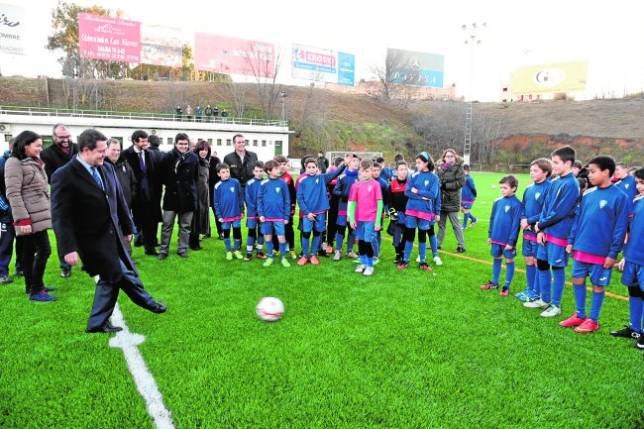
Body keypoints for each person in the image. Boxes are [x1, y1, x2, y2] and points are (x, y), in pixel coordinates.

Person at [51, 129, 166, 333]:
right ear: (86, 150)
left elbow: (118, 200)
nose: (105, 154)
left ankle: (96, 323)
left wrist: (128, 227)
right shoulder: (64, 175)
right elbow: (61, 216)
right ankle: (148, 302)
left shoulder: (106, 168)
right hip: (90, 241)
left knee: (110, 278)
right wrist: (67, 248)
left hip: (114, 235)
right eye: (101, 151)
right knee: (120, 273)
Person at [559, 156, 630, 333]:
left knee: (598, 285)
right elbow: (578, 220)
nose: (589, 175)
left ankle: (593, 319)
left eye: (593, 171)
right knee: (577, 279)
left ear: (606, 172)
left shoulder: (620, 197)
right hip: (581, 248)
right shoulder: (588, 194)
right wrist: (571, 241)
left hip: (602, 252)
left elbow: (620, 228)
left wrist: (613, 254)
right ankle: (580, 314)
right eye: (589, 171)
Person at [6, 131, 54, 301]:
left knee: (28, 252)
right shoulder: (14, 162)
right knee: (44, 250)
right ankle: (36, 290)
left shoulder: (33, 161)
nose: (41, 148)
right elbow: (13, 193)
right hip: (28, 217)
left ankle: (32, 285)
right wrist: (22, 219)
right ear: (26, 145)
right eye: (38, 145)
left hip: (38, 215)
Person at [533, 146, 580, 318]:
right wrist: (541, 227)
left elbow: (560, 212)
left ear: (568, 163)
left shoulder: (571, 185)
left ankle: (556, 305)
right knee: (542, 263)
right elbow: (546, 206)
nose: (553, 166)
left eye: (556, 162)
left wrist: (540, 224)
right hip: (546, 231)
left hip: (560, 234)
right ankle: (544, 299)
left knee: (557, 267)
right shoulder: (555, 182)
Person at [40, 123, 78, 278]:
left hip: (81, 197)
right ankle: (65, 266)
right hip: (61, 199)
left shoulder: (77, 148)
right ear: (54, 137)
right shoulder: (47, 154)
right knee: (63, 233)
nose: (65, 140)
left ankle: (86, 259)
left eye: (67, 136)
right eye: (61, 137)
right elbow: (49, 178)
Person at [612, 167, 644, 348]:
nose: (639, 187)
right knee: (634, 291)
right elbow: (630, 231)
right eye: (638, 183)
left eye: (643, 183)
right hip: (632, 257)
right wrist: (626, 255)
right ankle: (635, 328)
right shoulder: (636, 201)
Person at [296, 156, 347, 266]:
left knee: (317, 233)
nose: (311, 169)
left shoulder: (322, 178)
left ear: (316, 168)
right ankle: (305, 255)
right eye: (308, 167)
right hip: (307, 213)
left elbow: (335, 173)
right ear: (305, 168)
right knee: (305, 234)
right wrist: (307, 212)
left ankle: (313, 254)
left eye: (313, 167)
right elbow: (299, 198)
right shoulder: (301, 180)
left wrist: (344, 164)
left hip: (320, 212)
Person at [157, 133, 199, 259]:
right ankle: (163, 250)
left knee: (185, 226)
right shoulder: (167, 157)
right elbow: (162, 176)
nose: (183, 146)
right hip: (172, 196)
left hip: (188, 197)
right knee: (167, 225)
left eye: (185, 144)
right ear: (175, 144)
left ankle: (182, 249)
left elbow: (195, 177)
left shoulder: (193, 158)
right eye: (181, 143)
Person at [398, 152, 441, 271]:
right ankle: (405, 260)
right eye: (416, 162)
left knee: (422, 236)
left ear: (426, 163)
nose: (416, 165)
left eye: (419, 162)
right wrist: (422, 196)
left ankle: (423, 261)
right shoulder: (414, 176)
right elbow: (407, 192)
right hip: (411, 209)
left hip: (425, 212)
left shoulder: (434, 178)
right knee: (409, 236)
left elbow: (433, 194)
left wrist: (417, 191)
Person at [517, 158, 553, 305]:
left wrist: (529, 221)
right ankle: (530, 289)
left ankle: (538, 292)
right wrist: (524, 219)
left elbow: (547, 212)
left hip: (540, 232)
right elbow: (523, 207)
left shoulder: (550, 188)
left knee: (539, 262)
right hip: (527, 231)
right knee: (528, 260)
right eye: (531, 170)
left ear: (545, 172)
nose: (532, 173)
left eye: (536, 170)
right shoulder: (528, 188)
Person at [480, 175, 522, 296]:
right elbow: (492, 219)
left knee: (509, 260)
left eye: (505, 187)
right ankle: (494, 282)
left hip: (508, 240)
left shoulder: (517, 204)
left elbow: (515, 225)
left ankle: (506, 286)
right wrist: (490, 235)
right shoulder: (497, 201)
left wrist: (511, 241)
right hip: (496, 237)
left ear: (514, 188)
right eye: (501, 187)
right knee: (496, 258)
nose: (502, 190)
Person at [122, 130, 162, 256]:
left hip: (150, 196)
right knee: (131, 224)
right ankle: (127, 253)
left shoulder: (150, 154)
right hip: (133, 196)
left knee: (151, 223)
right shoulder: (125, 155)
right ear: (135, 141)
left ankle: (150, 248)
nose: (146, 143)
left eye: (146, 140)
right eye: (143, 141)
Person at [349, 159, 383, 276]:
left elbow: (379, 203)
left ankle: (369, 265)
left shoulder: (376, 185)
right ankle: (363, 263)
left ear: (371, 171)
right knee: (361, 242)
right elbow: (352, 203)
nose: (365, 173)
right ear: (360, 171)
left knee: (368, 242)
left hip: (370, 219)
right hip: (359, 219)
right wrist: (352, 219)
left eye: (368, 171)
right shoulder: (355, 186)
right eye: (363, 171)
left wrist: (378, 221)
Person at [258, 160, 291, 268]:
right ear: (269, 171)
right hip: (266, 217)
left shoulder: (282, 183)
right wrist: (261, 214)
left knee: (281, 237)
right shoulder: (263, 183)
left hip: (279, 217)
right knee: (268, 237)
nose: (279, 170)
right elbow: (259, 200)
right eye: (276, 168)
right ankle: (270, 256)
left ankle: (283, 257)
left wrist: (286, 216)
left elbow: (287, 200)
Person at [436, 148, 466, 253]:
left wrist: (446, 185)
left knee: (456, 224)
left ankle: (461, 245)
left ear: (455, 157)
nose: (449, 158)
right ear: (444, 158)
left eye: (451, 156)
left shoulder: (459, 168)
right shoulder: (440, 167)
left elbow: (461, 182)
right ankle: (437, 244)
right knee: (441, 225)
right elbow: (437, 179)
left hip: (453, 200)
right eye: (447, 156)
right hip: (441, 200)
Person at [213, 163, 244, 260]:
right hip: (224, 216)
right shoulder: (217, 186)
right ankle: (228, 251)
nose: (226, 174)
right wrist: (219, 215)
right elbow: (216, 202)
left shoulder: (235, 182)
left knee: (237, 232)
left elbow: (240, 197)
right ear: (219, 174)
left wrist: (242, 210)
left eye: (227, 171)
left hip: (236, 214)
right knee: (226, 233)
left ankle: (237, 250)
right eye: (223, 172)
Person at [333, 155, 360, 261]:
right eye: (353, 161)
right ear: (348, 163)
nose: (356, 163)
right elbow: (335, 191)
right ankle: (338, 251)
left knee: (352, 230)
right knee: (341, 230)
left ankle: (349, 250)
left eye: (357, 161)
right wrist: (343, 194)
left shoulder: (360, 176)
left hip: (356, 209)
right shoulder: (342, 176)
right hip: (343, 207)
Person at [190, 140, 211, 251]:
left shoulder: (206, 162)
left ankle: (196, 240)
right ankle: (193, 242)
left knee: (202, 216)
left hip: (204, 193)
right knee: (195, 218)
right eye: (202, 149)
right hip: (196, 193)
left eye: (206, 150)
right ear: (197, 150)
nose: (204, 152)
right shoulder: (194, 161)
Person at [0, 140, 16, 284]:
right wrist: (4, 207)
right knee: (5, 243)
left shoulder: (22, 162)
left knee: (24, 243)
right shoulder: (1, 162)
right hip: (6, 212)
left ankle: (21, 268)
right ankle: (2, 273)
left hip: (21, 211)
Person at [244, 161, 267, 261]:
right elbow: (247, 199)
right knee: (251, 231)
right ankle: (249, 253)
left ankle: (259, 251)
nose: (259, 173)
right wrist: (255, 209)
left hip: (263, 213)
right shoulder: (249, 183)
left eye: (261, 171)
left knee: (262, 232)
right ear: (253, 171)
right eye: (257, 171)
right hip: (252, 212)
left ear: (264, 171)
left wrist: (262, 210)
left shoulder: (266, 183)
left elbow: (267, 198)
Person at [274, 155, 296, 258]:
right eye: (280, 164)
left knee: (288, 228)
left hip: (286, 209)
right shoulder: (273, 177)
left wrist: (292, 207)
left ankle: (291, 248)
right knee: (275, 228)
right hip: (275, 209)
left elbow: (293, 194)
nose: (282, 166)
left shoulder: (289, 178)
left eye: (284, 164)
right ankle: (276, 248)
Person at [388, 161, 409, 264]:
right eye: (401, 169)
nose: (403, 172)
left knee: (406, 235)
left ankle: (402, 253)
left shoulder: (410, 184)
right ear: (396, 171)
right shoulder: (391, 185)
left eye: (405, 169)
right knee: (396, 237)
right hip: (396, 214)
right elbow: (389, 202)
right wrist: (393, 214)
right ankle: (398, 254)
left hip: (408, 215)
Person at [370, 162, 389, 262]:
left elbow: (386, 199)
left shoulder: (383, 183)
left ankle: (377, 251)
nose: (375, 172)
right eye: (374, 170)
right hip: (369, 210)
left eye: (377, 170)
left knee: (377, 231)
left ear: (380, 171)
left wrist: (385, 210)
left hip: (379, 211)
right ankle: (370, 250)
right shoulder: (368, 182)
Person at [461, 164, 478, 229]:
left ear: (467, 171)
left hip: (468, 197)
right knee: (463, 210)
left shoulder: (469, 178)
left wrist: (475, 195)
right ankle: (474, 219)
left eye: (463, 170)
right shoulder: (462, 178)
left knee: (466, 210)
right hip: (463, 197)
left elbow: (473, 187)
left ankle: (464, 226)